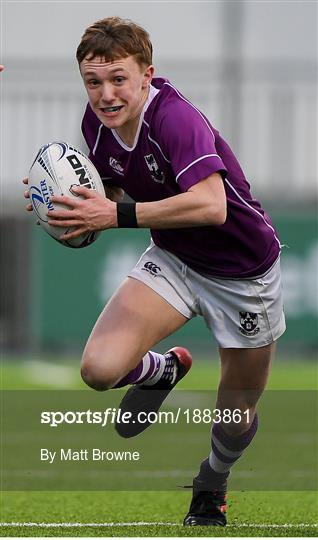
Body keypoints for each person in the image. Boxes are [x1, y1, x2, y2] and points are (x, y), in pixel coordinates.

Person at [23, 17, 285, 527]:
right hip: (174, 259)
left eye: (119, 78)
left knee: (234, 418)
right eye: (94, 81)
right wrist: (68, 210)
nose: (106, 93)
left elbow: (212, 206)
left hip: (244, 274)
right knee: (99, 371)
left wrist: (113, 215)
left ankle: (213, 480)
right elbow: (114, 194)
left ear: (147, 74)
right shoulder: (94, 125)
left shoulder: (175, 119)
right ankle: (163, 370)